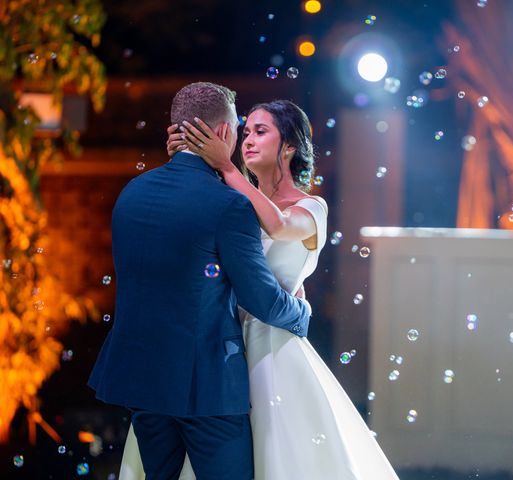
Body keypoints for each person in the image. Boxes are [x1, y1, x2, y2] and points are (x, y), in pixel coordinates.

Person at [121, 99, 399, 479]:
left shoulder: (310, 207)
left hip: (273, 347)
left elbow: (280, 225)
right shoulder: (235, 200)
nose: (247, 139)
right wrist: (192, 157)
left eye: (261, 131)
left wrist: (224, 165)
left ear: (289, 146)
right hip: (220, 346)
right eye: (246, 131)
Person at [88, 83, 312, 480]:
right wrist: (302, 313)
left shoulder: (132, 193)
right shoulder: (229, 206)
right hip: (206, 387)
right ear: (224, 134)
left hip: (143, 381)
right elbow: (262, 300)